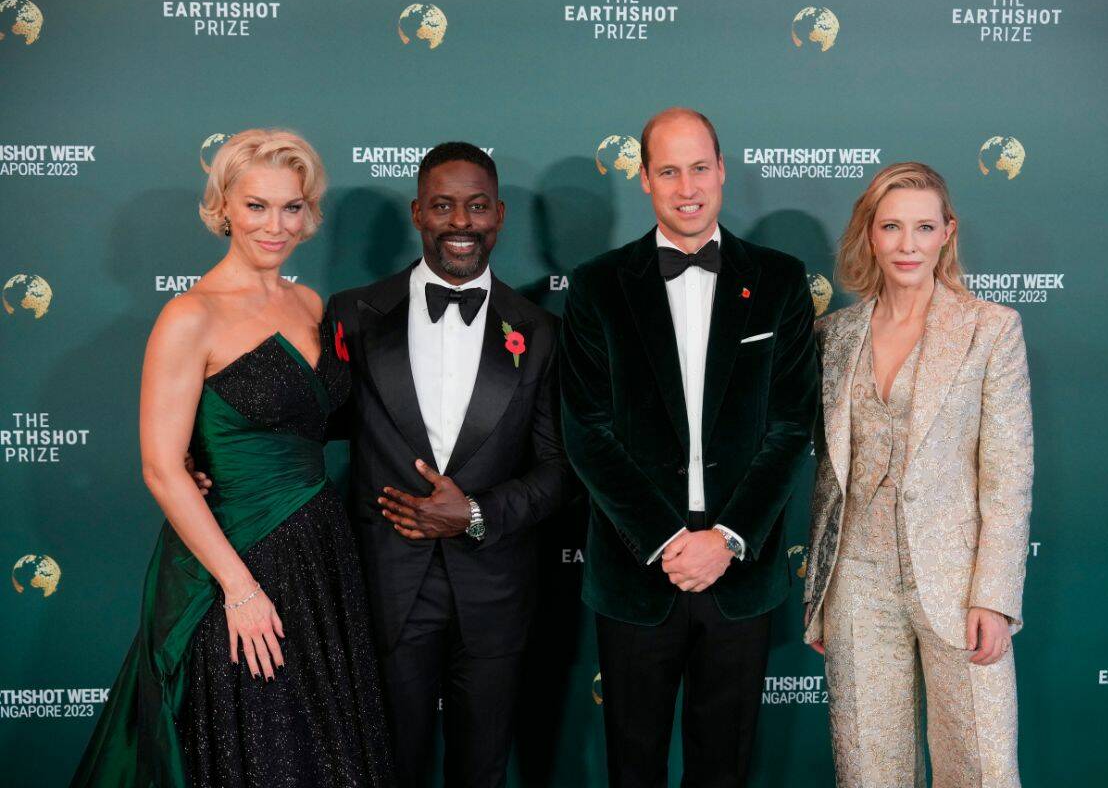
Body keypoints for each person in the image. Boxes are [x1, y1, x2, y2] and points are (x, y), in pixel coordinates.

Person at [72, 129, 394, 787]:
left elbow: (316, 424)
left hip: (320, 557)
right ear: (223, 208)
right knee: (257, 748)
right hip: (233, 565)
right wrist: (240, 590)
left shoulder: (309, 306)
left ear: (308, 214)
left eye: (291, 207)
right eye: (256, 206)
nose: (275, 225)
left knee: (325, 752)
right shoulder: (190, 316)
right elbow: (163, 468)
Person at [559, 107, 819, 787]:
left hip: (740, 572)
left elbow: (793, 425)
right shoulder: (597, 286)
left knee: (724, 770)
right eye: (668, 170)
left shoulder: (780, 281)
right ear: (643, 179)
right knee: (633, 767)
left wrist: (725, 537)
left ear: (722, 170)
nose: (687, 187)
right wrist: (669, 541)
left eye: (699, 167)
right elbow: (587, 429)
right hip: (638, 570)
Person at [326, 142, 573, 787]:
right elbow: (304, 426)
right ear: (417, 213)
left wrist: (473, 514)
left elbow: (559, 472)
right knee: (388, 766)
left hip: (496, 586)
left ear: (499, 215)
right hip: (385, 582)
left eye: (475, 206)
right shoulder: (353, 314)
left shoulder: (540, 332)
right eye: (443, 205)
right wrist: (215, 455)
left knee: (482, 770)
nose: (460, 222)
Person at [803, 162, 1032, 787]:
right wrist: (820, 594)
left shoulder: (991, 328)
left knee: (980, 768)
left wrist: (995, 596)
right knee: (867, 769)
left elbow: (1008, 476)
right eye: (892, 227)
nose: (908, 244)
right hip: (857, 579)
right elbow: (829, 474)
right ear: (870, 235)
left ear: (947, 233)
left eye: (924, 227)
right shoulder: (834, 334)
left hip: (958, 583)